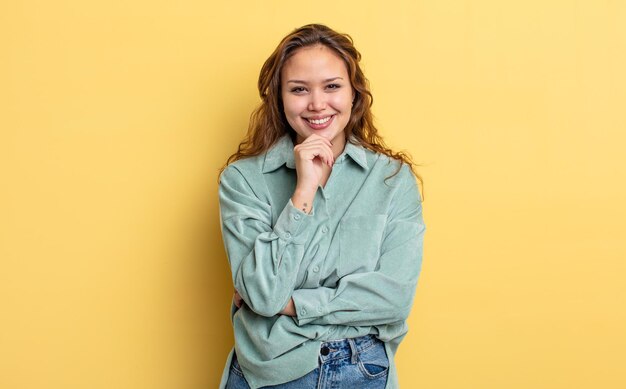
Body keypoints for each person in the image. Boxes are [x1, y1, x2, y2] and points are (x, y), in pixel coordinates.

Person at [217, 24, 425, 389]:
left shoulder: (392, 180)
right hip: (271, 372)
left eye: (332, 86)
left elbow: (394, 298)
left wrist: (293, 304)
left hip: (364, 371)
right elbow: (264, 294)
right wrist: (303, 192)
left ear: (354, 94)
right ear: (279, 98)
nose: (317, 104)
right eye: (299, 89)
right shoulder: (243, 181)